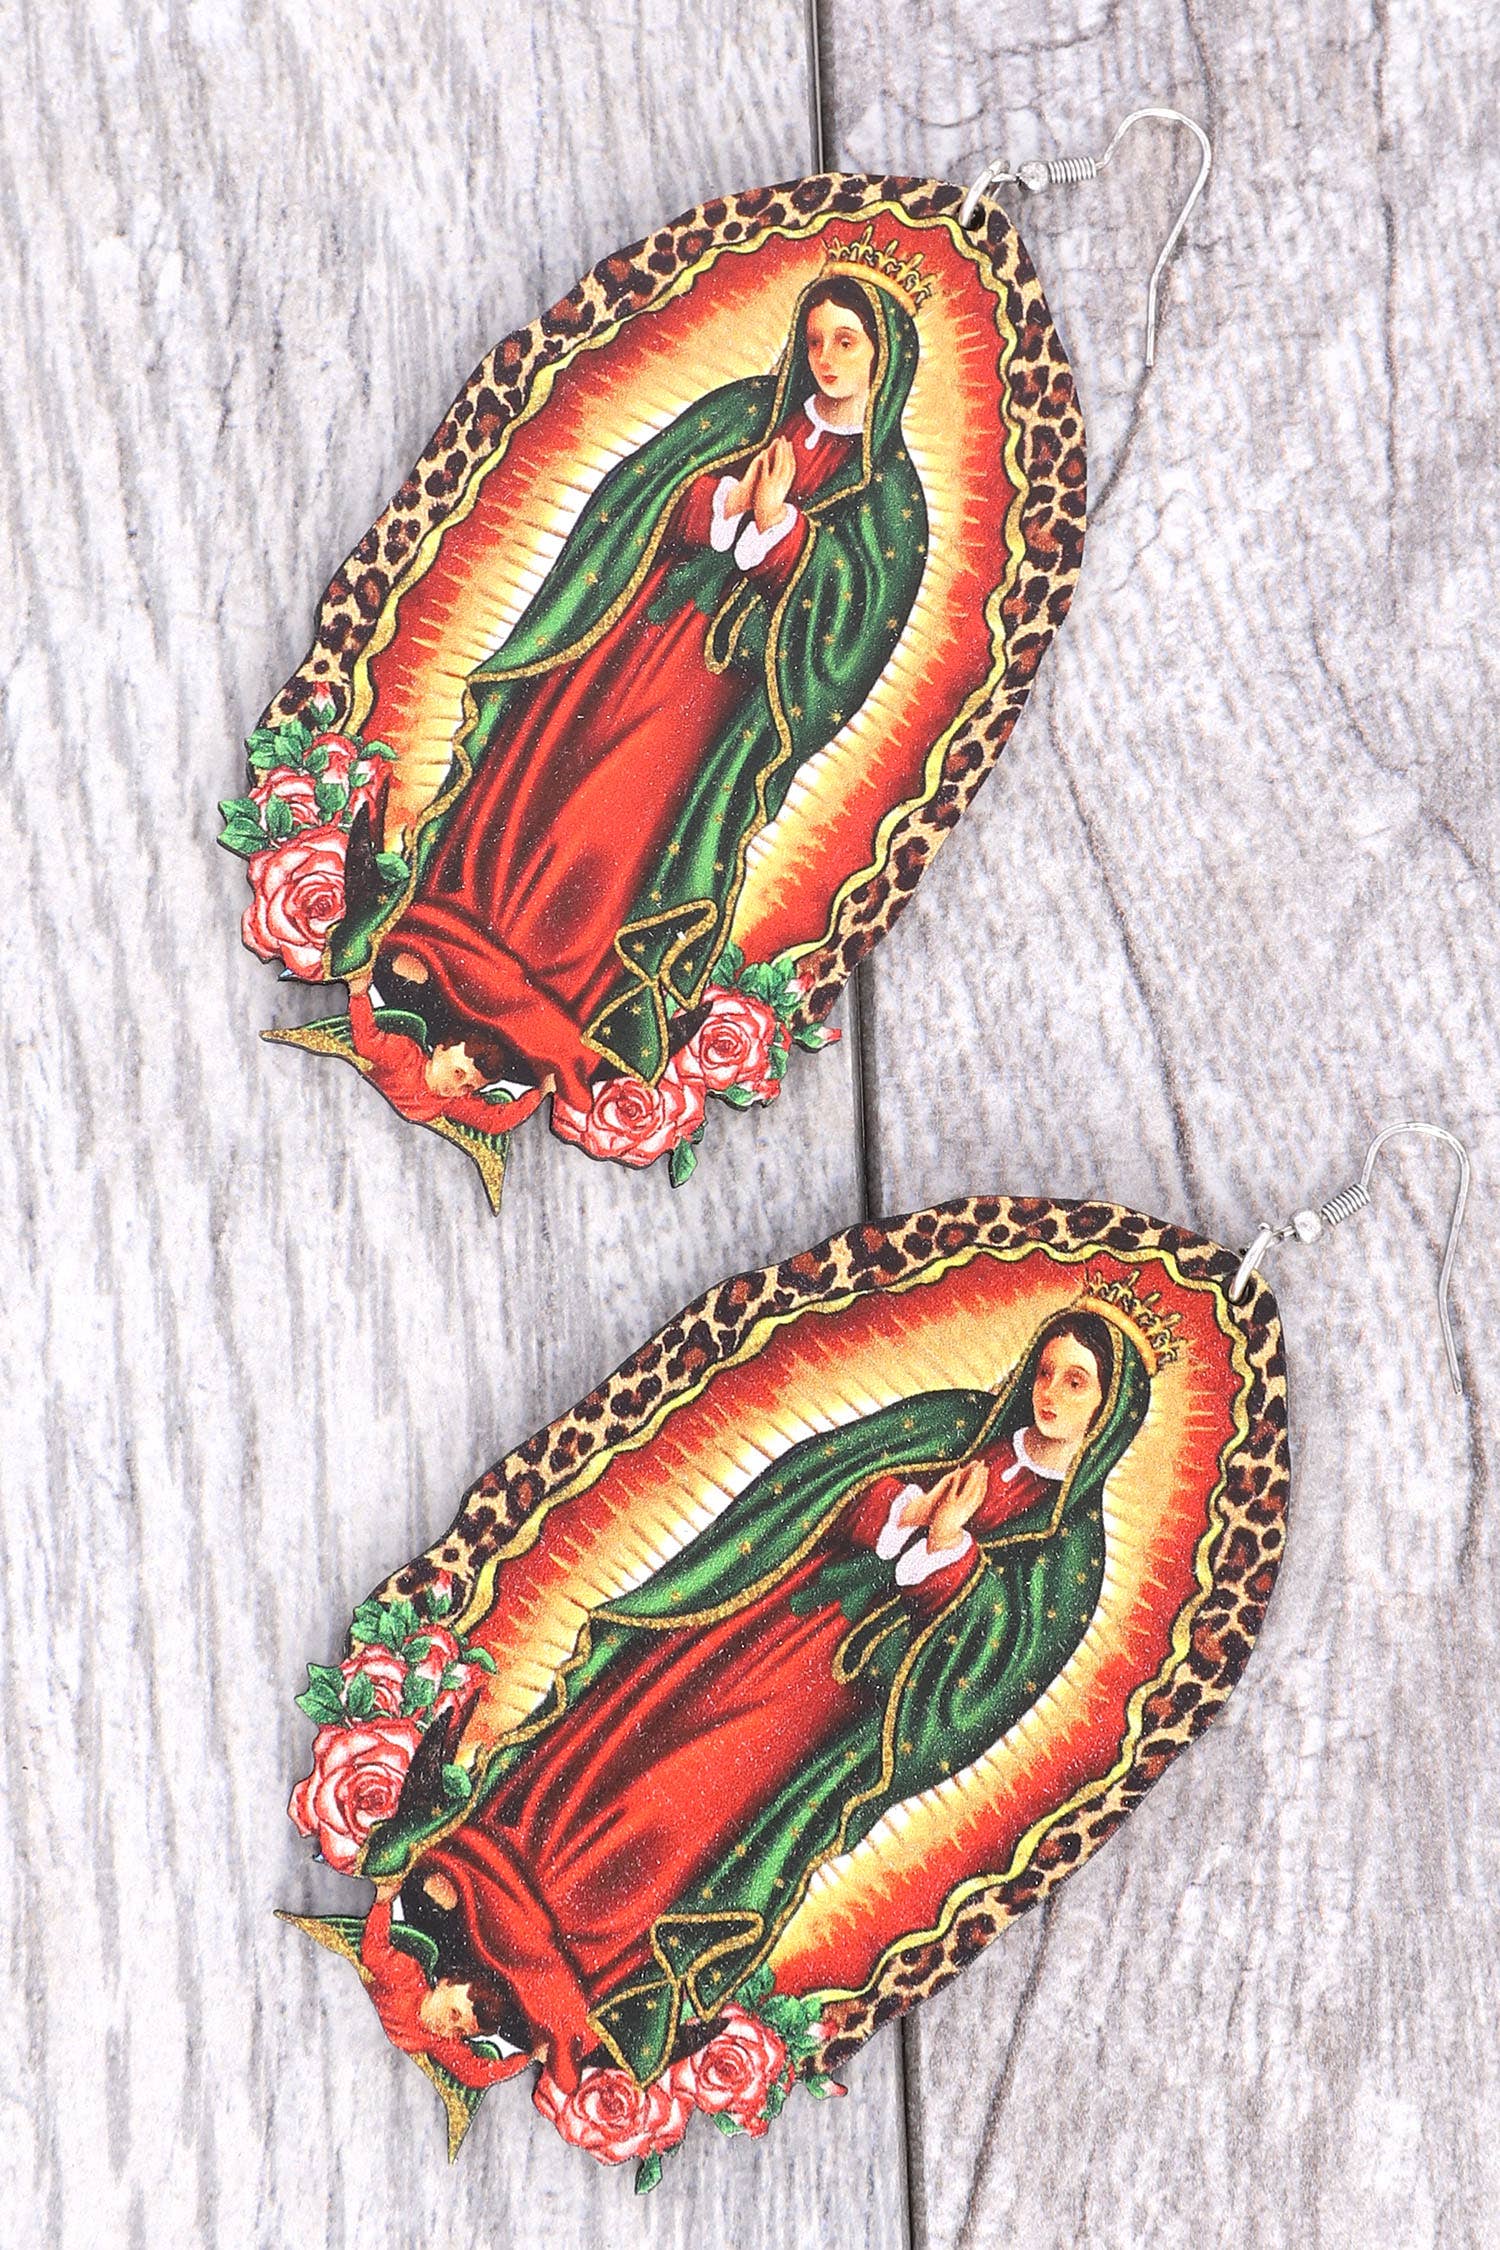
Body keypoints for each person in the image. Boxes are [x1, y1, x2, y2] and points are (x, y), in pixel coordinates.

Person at [378, 1299, 1155, 2091]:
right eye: (1047, 1371)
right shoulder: (957, 1421)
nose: (1050, 1394)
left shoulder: (1072, 1553)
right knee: (634, 1727)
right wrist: (904, 1510)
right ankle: (487, 1873)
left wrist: (951, 1548)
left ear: (1109, 1409)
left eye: (1076, 1383)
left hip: (836, 1693)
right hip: (773, 1609)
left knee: (688, 1801)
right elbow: (826, 1475)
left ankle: (577, 1954)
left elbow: (993, 1673)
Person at [330, 266, 928, 1107]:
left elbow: (855, 631)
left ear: (884, 357)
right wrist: (722, 501)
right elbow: (639, 495)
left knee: (614, 819)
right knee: (542, 769)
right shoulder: (746, 412)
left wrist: (785, 534)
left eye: (847, 342)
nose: (826, 358)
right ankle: (447, 934)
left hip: (714, 685)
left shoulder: (891, 499)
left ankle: (553, 989)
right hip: (631, 627)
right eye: (816, 338)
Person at [341, 963, 554, 1135]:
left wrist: (540, 1095)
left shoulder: (451, 1102)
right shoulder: (405, 1055)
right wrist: (359, 995)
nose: (457, 1087)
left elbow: (493, 1121)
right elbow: (368, 1042)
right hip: (358, 1113)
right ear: (441, 1048)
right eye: (458, 1073)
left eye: (468, 1087)